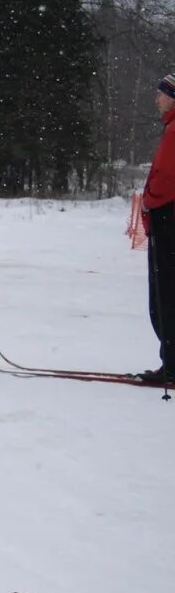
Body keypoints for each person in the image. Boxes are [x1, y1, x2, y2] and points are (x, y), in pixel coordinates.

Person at [138, 73, 175, 383]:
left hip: (168, 221)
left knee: (165, 294)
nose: (157, 99)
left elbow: (165, 177)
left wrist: (149, 201)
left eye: (162, 94)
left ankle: (173, 364)